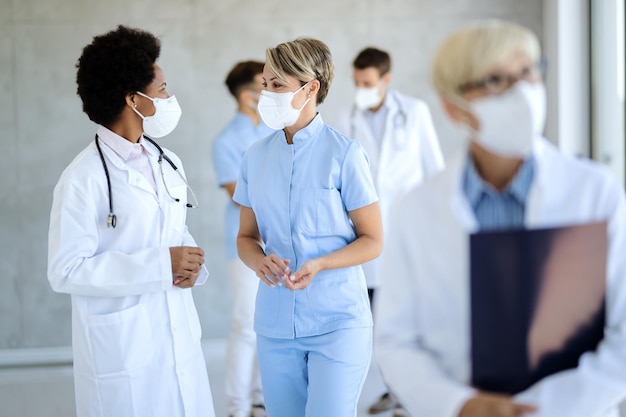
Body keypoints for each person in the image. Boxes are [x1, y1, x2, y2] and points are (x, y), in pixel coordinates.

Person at [374, 19, 626, 417]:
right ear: (454, 107)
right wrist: (461, 405)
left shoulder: (595, 192)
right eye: (495, 80)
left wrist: (542, 408)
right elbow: (396, 341)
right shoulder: (417, 210)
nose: (521, 93)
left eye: (527, 73)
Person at [47, 25, 215, 417]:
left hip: (177, 329)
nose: (169, 99)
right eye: (161, 91)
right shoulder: (82, 178)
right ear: (132, 99)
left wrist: (190, 264)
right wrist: (162, 265)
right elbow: (65, 270)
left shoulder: (167, 161)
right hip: (122, 347)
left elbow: (171, 230)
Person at [234, 37, 383, 417]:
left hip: (338, 321)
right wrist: (257, 261)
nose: (266, 93)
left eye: (277, 85)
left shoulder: (344, 153)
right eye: (265, 85)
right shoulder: (255, 157)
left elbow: (373, 240)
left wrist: (320, 264)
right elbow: (246, 237)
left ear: (310, 87)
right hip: (275, 325)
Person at [333, 46, 445, 417]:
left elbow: (434, 171)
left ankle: (407, 395)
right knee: (374, 321)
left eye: (367, 82)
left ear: (386, 79)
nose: (360, 89)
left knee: (407, 320)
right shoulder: (345, 116)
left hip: (406, 233)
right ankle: (394, 391)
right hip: (365, 234)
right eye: (356, 82)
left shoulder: (414, 112)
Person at [212, 60, 272, 417]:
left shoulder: (276, 130)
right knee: (245, 322)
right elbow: (239, 194)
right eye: (263, 85)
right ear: (247, 95)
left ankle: (261, 398)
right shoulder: (227, 140)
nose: (270, 89)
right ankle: (237, 406)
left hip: (279, 241)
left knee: (271, 323)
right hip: (245, 242)